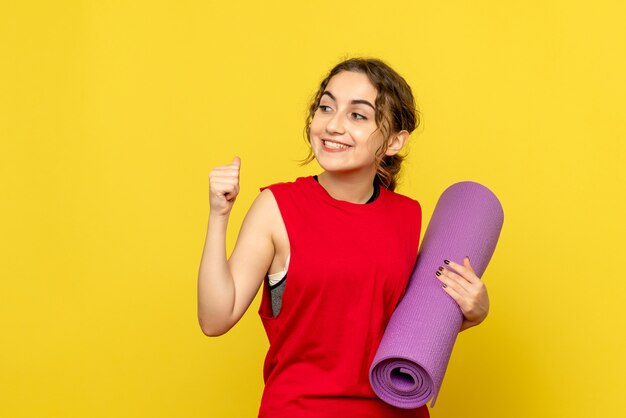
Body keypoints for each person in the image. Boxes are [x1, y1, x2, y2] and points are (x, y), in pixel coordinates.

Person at [197, 58, 490, 418]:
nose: (333, 125)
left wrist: (472, 312)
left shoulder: (407, 215)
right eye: (326, 107)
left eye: (358, 115)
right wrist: (218, 216)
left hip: (397, 409)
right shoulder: (276, 207)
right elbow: (215, 319)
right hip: (300, 409)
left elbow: (405, 326)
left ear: (395, 141)